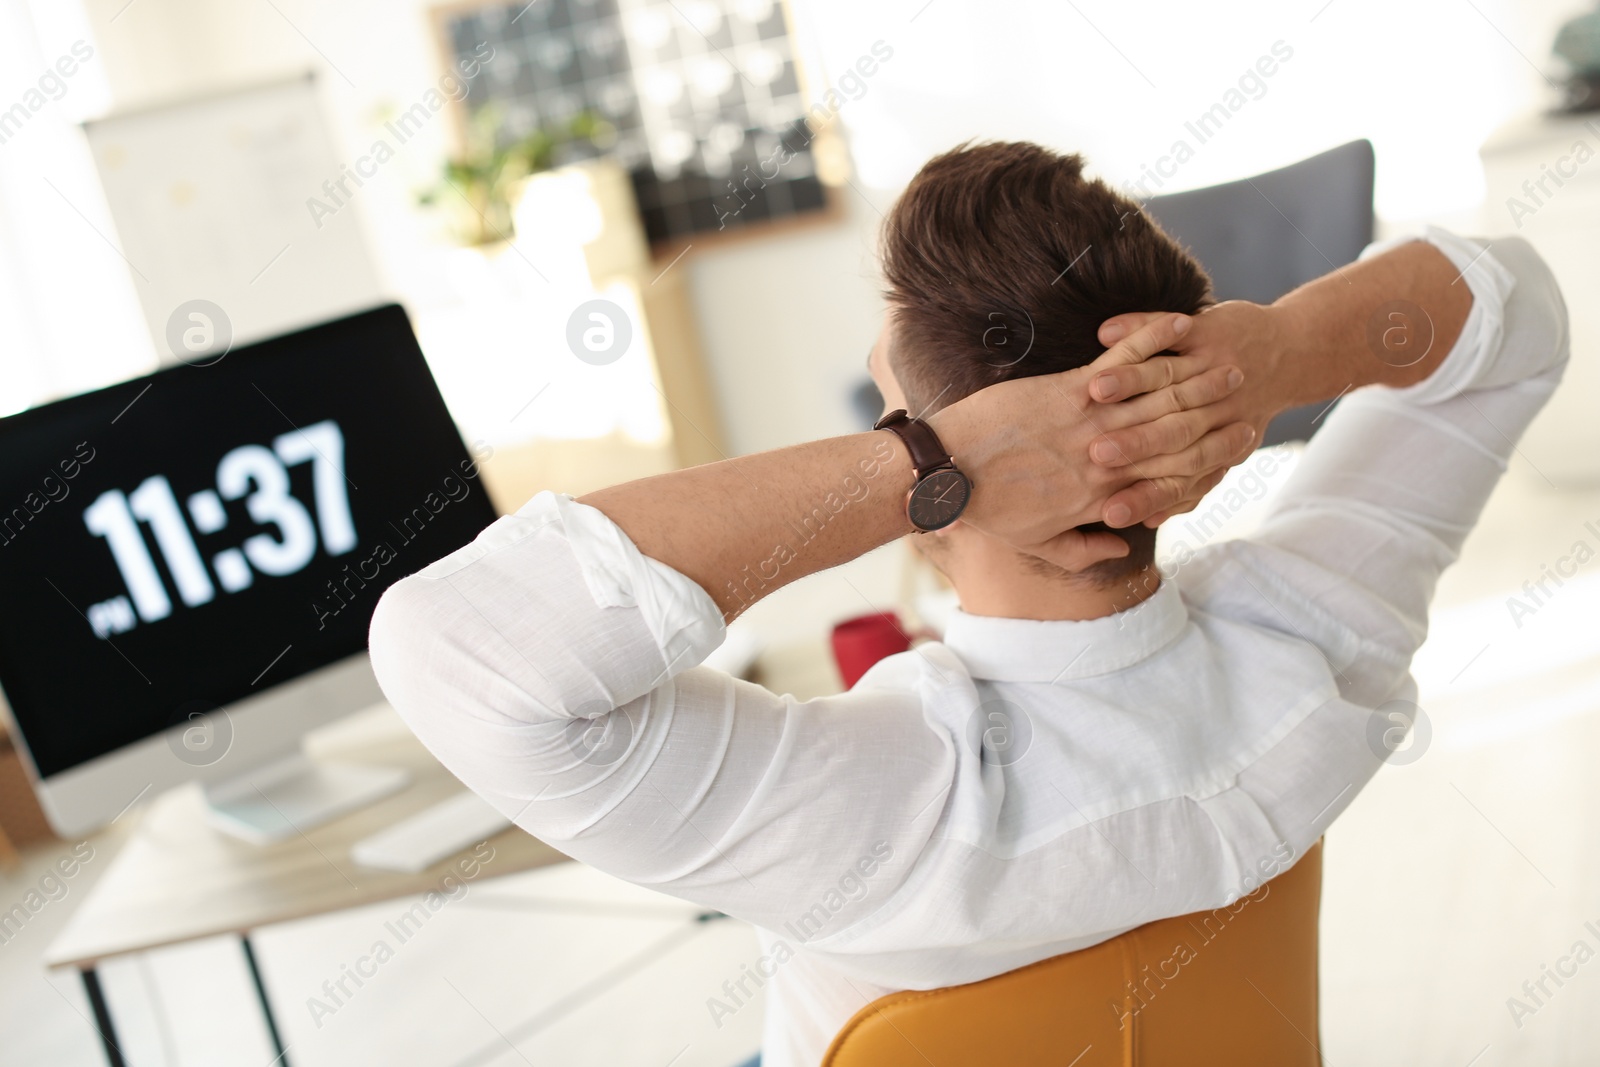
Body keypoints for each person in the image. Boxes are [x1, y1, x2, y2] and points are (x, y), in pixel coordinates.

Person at [367, 142, 1568, 1066]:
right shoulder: (1316, 641)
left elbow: (452, 651)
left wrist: (913, 467)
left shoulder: (886, 807)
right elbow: (1517, 311)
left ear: (969, 465)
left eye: (896, 410)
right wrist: (1273, 358)